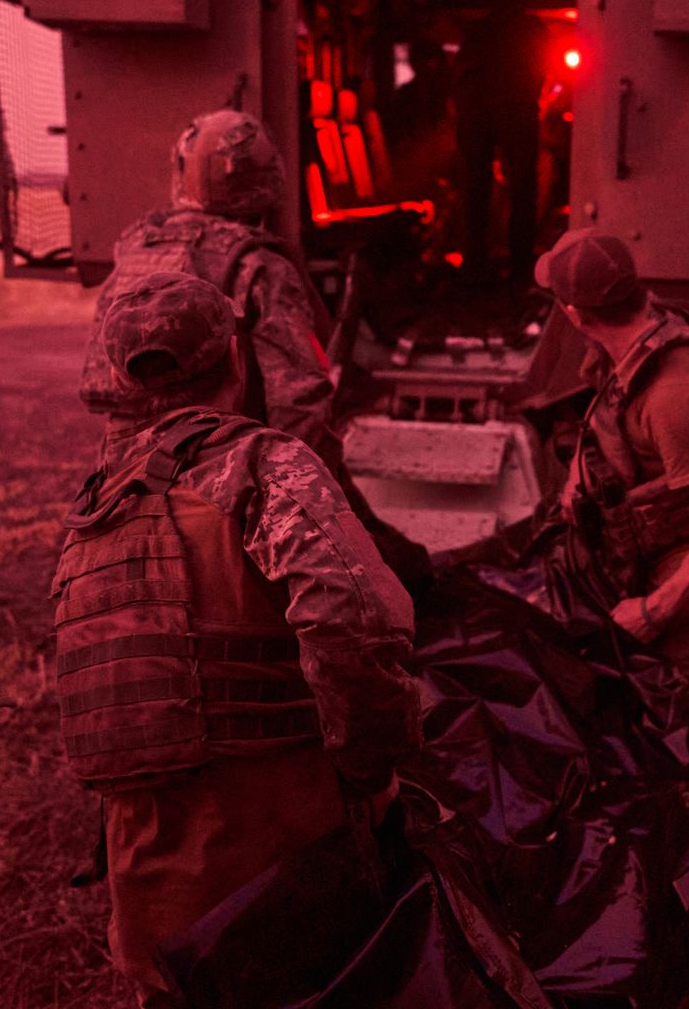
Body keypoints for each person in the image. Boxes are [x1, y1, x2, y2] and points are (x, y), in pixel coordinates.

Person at [55, 271, 421, 1006]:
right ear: (235, 357)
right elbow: (352, 618)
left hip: (155, 912)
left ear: (122, 381)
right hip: (285, 879)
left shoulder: (92, 515)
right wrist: (373, 770)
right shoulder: (261, 466)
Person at [537, 229, 689, 708]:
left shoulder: (674, 396)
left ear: (576, 315)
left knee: (676, 716)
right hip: (656, 544)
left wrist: (653, 612)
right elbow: (609, 406)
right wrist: (576, 481)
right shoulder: (643, 333)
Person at [81, 109, 336, 460]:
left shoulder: (135, 245)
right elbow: (299, 404)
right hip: (222, 465)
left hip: (127, 466)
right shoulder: (259, 265)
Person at [452, 5, 550, 286]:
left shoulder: (476, 39)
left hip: (479, 104)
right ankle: (520, 269)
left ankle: (475, 266)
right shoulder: (529, 33)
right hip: (515, 103)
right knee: (522, 185)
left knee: (476, 186)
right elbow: (539, 71)